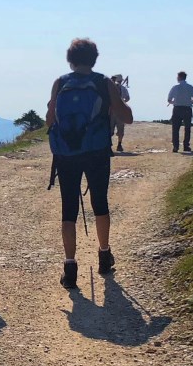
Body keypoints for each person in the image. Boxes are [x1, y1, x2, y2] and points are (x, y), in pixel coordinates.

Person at [47, 38, 134, 289]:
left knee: (68, 208)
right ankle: (104, 254)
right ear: (94, 59)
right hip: (96, 151)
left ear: (70, 59)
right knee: (100, 202)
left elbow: (50, 120)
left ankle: (70, 267)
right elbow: (127, 118)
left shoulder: (60, 82)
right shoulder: (104, 82)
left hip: (66, 153)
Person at [167, 71, 193, 152]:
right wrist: (191, 102)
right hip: (187, 109)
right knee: (187, 128)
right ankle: (186, 146)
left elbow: (169, 99)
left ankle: (176, 146)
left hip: (177, 109)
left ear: (180, 77)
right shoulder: (190, 87)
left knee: (175, 128)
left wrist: (173, 102)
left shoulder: (175, 87)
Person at [110, 74, 131, 152]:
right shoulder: (122, 88)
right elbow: (127, 98)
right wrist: (122, 102)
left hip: (112, 111)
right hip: (119, 112)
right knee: (120, 130)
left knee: (110, 129)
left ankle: (110, 145)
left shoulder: (110, 88)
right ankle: (119, 145)